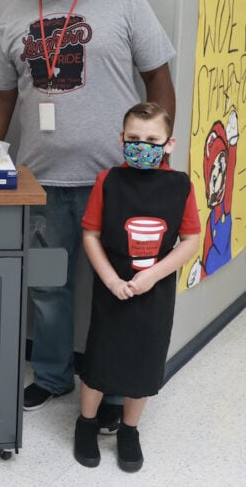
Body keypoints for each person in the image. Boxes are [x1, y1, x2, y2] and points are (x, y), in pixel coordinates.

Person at [0, 0, 177, 431]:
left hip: (120, 182)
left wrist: (159, 154)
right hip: (42, 180)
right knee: (48, 288)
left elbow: (158, 77)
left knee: (122, 288)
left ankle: (114, 382)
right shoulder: (15, 14)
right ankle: (51, 374)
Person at [73, 102, 200, 472]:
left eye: (151, 140)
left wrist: (153, 275)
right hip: (112, 285)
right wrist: (111, 279)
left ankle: (129, 430)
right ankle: (86, 423)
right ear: (121, 139)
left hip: (155, 289)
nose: (141, 145)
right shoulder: (108, 181)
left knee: (145, 357)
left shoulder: (180, 186)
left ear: (169, 143)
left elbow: (191, 240)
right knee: (101, 353)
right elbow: (91, 234)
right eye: (133, 139)